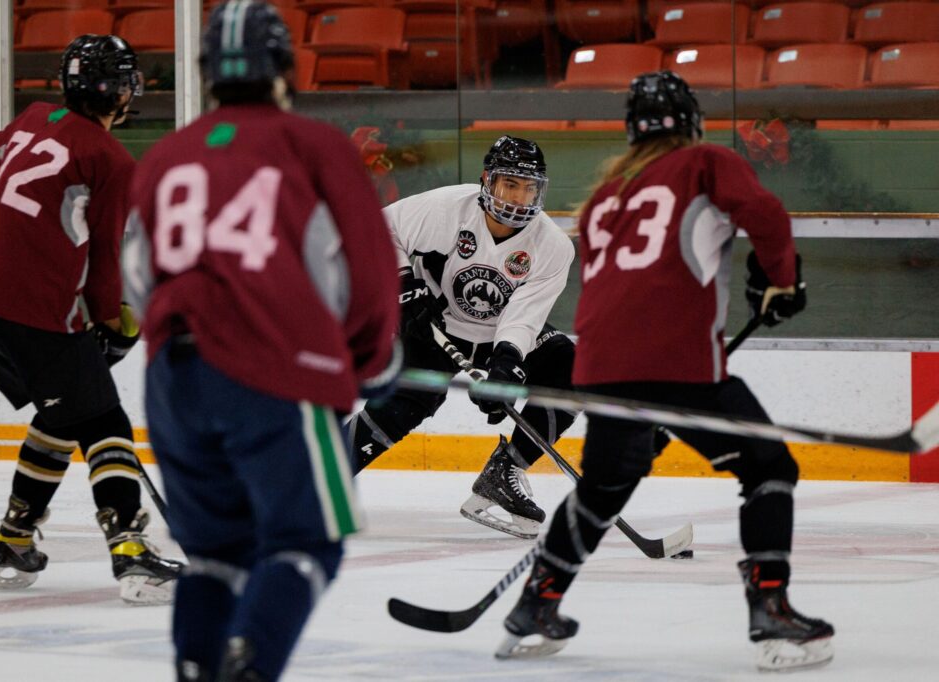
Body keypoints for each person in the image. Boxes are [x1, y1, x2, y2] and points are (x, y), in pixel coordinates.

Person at [497, 71, 834, 673]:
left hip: (601, 366)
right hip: (678, 365)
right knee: (768, 467)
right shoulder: (705, 162)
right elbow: (766, 214)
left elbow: (621, 286)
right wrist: (780, 280)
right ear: (692, 121)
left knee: (604, 486)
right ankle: (772, 609)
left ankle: (535, 606)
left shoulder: (604, 195)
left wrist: (634, 397)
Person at [122, 2, 400, 680]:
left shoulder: (165, 155)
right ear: (284, 67)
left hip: (172, 381)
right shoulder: (315, 145)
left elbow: (135, 274)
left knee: (216, 553)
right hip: (275, 373)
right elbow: (369, 274)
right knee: (310, 540)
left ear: (207, 70)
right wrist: (368, 364)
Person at [0, 34, 182, 605]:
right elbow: (104, 255)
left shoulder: (34, 116)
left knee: (63, 411)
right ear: (118, 88)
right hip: (27, 306)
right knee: (105, 420)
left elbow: (4, 147)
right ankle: (130, 551)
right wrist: (113, 321)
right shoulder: (110, 157)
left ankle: (13, 541)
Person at [347, 135, 579, 540]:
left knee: (569, 367)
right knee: (400, 408)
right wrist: (402, 286)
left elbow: (523, 317)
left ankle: (505, 470)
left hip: (496, 335)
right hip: (432, 321)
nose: (521, 198)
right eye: (511, 184)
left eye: (530, 187)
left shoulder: (553, 246)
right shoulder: (448, 209)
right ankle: (308, 483)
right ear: (487, 180)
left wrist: (507, 362)